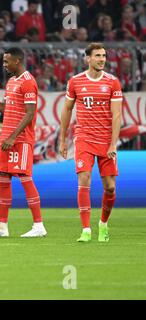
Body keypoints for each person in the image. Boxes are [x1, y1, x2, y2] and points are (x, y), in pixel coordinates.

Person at [0, 47, 47, 238]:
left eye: (6, 62)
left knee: (25, 177)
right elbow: (5, 108)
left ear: (17, 61)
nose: (4, 65)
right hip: (7, 138)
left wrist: (13, 136)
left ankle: (39, 225)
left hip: (20, 140)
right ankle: (2, 227)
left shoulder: (28, 82)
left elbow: (30, 113)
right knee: (4, 178)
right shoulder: (12, 81)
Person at [59, 43, 122, 243]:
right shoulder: (75, 81)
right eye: (97, 56)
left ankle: (103, 224)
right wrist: (62, 139)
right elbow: (67, 110)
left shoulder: (113, 82)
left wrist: (113, 144)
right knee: (84, 178)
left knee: (110, 187)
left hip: (105, 140)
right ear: (88, 59)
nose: (102, 59)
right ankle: (86, 229)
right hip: (84, 138)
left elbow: (117, 114)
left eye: (104, 55)